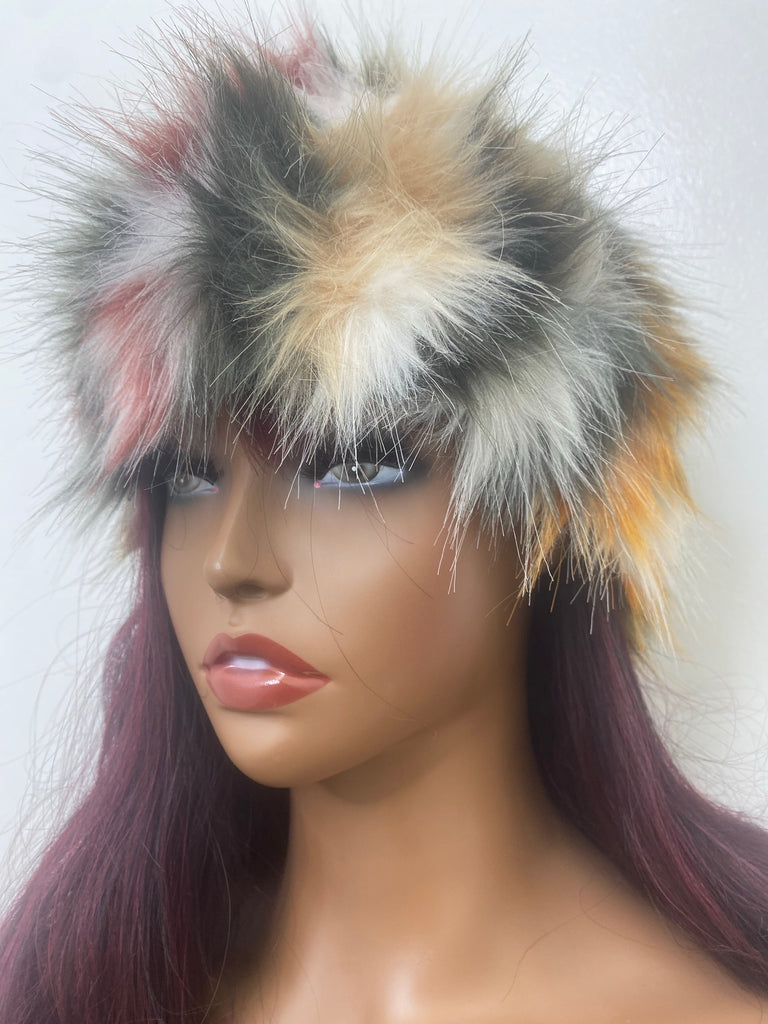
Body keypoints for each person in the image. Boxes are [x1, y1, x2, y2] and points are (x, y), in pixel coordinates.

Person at [1, 10, 767, 1022]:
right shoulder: (85, 987)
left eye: (354, 463)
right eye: (185, 476)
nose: (232, 560)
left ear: (549, 521)